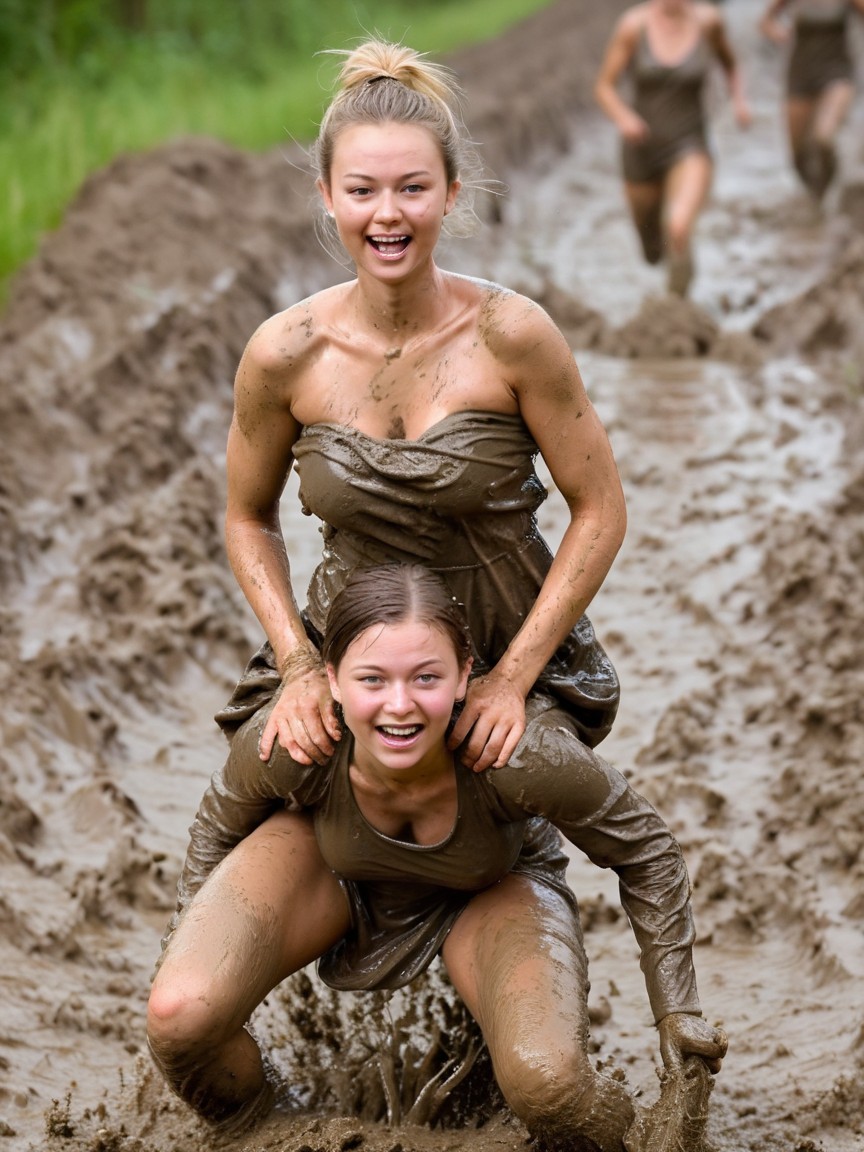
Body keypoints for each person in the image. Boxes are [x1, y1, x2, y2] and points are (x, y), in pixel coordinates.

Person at [147, 563, 728, 1150]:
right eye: (372, 680)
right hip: (332, 871)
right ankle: (262, 1127)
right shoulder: (296, 741)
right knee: (179, 1018)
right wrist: (183, 948)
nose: (399, 706)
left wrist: (676, 1011)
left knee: (549, 1086)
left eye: (425, 678)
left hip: (491, 885)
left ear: (463, 678)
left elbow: (648, 850)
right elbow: (214, 834)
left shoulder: (517, 757)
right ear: (331, 679)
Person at [594, 0, 751, 295]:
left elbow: (731, 65)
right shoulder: (633, 26)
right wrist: (624, 117)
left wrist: (739, 101)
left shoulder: (709, 22)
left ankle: (678, 311)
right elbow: (604, 86)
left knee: (677, 226)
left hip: (690, 144)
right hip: (641, 149)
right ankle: (670, 286)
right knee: (652, 251)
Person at [760, 0, 864, 199]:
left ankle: (831, 194)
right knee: (797, 156)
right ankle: (814, 198)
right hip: (800, 75)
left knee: (823, 138)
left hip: (837, 72)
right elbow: (765, 22)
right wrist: (778, 34)